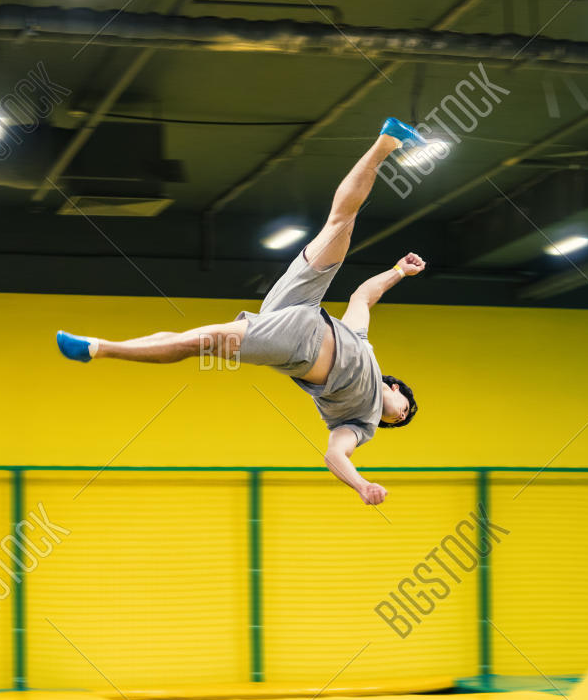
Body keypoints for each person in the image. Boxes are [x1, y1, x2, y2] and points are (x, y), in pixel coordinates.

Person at [57, 118, 428, 505]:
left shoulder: (361, 423)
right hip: (301, 307)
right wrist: (399, 271)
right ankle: (387, 141)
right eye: (405, 411)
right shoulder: (365, 349)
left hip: (295, 343)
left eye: (398, 423)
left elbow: (334, 455)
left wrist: (361, 485)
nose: (399, 418)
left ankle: (100, 347)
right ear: (396, 388)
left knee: (197, 342)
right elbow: (363, 298)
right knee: (340, 225)